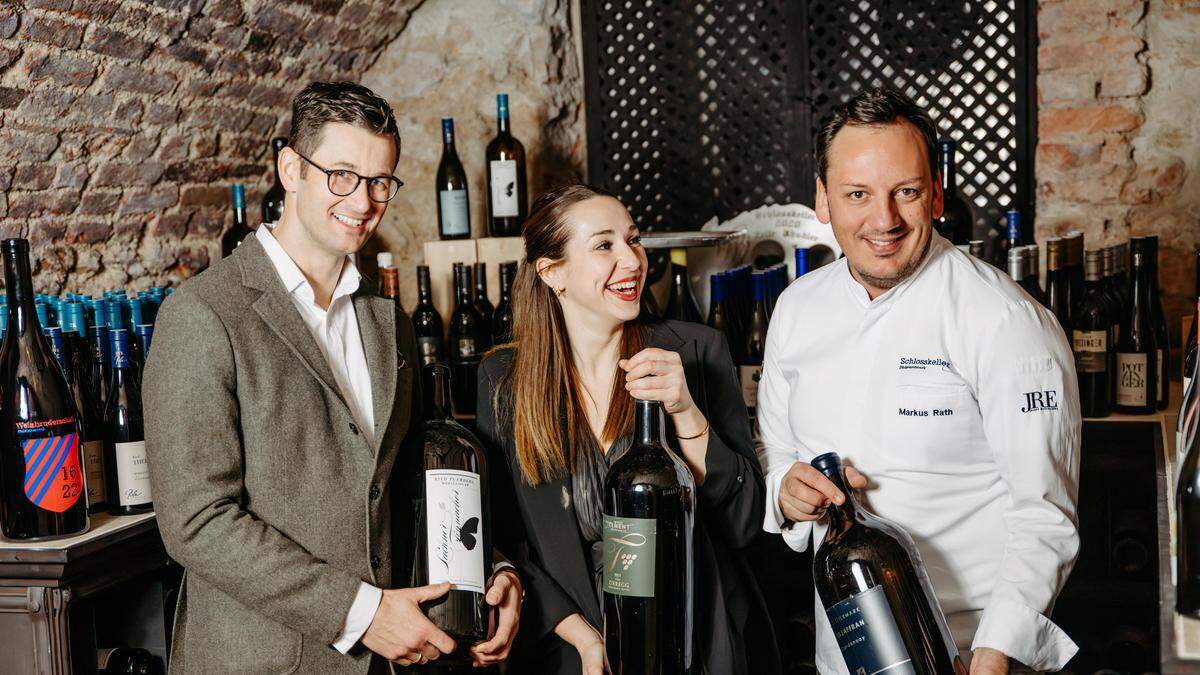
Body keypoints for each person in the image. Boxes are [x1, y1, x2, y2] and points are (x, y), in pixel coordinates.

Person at [144, 81, 521, 674]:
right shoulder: (202, 315)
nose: (364, 200)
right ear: (290, 169)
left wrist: (489, 569)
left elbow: (404, 481)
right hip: (263, 662)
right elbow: (197, 522)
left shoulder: (384, 319)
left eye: (380, 182)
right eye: (341, 174)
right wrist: (364, 613)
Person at [757, 87, 1081, 675]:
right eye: (858, 194)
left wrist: (995, 654)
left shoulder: (1005, 320)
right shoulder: (795, 309)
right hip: (846, 648)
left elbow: (1044, 514)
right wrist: (786, 490)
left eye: (905, 191)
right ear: (823, 200)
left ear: (935, 195)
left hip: (968, 653)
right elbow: (778, 453)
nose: (884, 220)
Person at [475, 184, 780, 675]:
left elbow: (746, 524)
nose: (632, 260)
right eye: (604, 245)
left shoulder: (697, 353)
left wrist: (685, 411)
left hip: (696, 644)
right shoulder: (505, 381)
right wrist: (584, 639)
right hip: (571, 650)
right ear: (553, 273)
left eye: (633, 240)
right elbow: (508, 539)